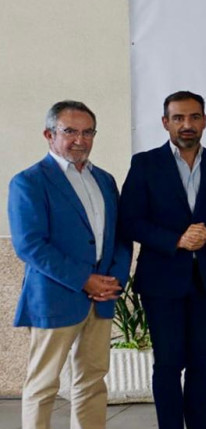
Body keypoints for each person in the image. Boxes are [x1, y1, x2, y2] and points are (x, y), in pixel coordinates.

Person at [119, 91, 206, 429]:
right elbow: (129, 221)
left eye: (193, 117)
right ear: (165, 123)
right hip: (161, 281)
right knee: (169, 364)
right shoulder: (145, 164)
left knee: (202, 365)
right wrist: (176, 239)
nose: (186, 125)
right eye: (178, 118)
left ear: (204, 120)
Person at [11, 100, 132, 429]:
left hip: (102, 298)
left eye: (88, 132)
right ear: (49, 135)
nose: (80, 139)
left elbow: (121, 235)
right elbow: (30, 244)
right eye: (70, 131)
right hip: (55, 297)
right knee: (43, 385)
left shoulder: (105, 180)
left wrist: (114, 280)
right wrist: (85, 280)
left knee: (92, 383)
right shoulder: (29, 182)